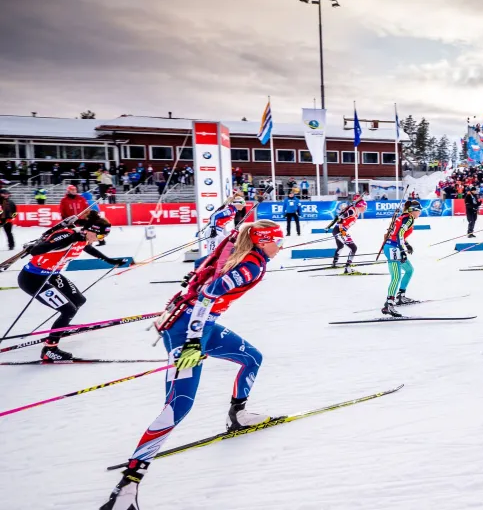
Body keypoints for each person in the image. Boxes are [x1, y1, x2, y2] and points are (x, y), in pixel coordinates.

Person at [100, 221, 283, 510]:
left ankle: (237, 415)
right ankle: (126, 488)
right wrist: (194, 340)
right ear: (262, 241)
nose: (280, 247)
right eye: (277, 241)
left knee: (252, 358)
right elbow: (208, 294)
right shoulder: (250, 266)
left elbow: (202, 267)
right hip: (189, 330)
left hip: (200, 324)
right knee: (178, 406)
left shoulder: (240, 253)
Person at [17, 211, 129, 361]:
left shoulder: (83, 237)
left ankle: (61, 326)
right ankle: (49, 350)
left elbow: (86, 247)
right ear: (90, 230)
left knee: (79, 301)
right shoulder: (67, 235)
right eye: (100, 236)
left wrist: (109, 260)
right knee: (68, 309)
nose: (101, 239)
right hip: (33, 278)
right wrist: (70, 239)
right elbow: (35, 250)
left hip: (52, 275)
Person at [381, 201, 421, 316]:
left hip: (392, 246)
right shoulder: (409, 219)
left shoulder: (403, 217)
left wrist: (406, 245)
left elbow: (399, 234)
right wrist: (402, 250)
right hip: (393, 248)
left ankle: (400, 296)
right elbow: (399, 234)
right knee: (396, 277)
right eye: (419, 211)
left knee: (409, 270)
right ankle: (389, 304)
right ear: (413, 210)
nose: (420, 213)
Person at [327, 195, 367, 271]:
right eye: (364, 207)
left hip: (338, 230)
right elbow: (340, 218)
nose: (365, 208)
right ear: (360, 206)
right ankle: (347, 268)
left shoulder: (356, 212)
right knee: (354, 248)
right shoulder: (352, 211)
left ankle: (334, 263)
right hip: (339, 231)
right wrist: (341, 230)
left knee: (340, 246)